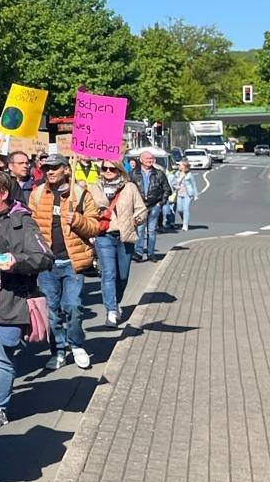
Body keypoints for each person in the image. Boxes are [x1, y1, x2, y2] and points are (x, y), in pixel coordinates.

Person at [0, 172, 53, 430]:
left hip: (5, 303)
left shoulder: (21, 222)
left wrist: (18, 262)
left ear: (4, 194)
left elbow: (44, 257)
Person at [28, 155, 102, 371]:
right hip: (47, 263)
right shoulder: (38, 194)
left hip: (72, 261)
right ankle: (58, 350)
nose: (49, 172)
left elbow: (95, 227)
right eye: (46, 168)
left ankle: (77, 344)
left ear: (66, 170)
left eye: (54, 168)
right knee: (52, 310)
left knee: (73, 306)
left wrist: (77, 220)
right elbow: (30, 224)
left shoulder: (80, 194)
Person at [91, 162, 147, 326]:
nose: (108, 171)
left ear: (119, 170)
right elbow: (86, 209)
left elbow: (141, 209)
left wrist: (137, 218)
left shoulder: (129, 187)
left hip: (125, 236)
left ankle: (115, 302)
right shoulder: (94, 187)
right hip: (104, 236)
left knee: (122, 276)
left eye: (112, 168)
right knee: (109, 273)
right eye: (104, 168)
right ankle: (111, 311)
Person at [133, 151, 170, 262]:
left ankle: (151, 253)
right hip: (140, 207)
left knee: (152, 231)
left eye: (151, 158)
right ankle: (138, 253)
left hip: (154, 206)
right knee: (140, 230)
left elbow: (167, 189)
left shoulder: (159, 173)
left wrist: (160, 203)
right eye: (147, 158)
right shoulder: (134, 174)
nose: (149, 160)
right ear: (141, 160)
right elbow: (128, 189)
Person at [170, 160, 201, 231]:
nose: (178, 166)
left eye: (180, 165)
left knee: (186, 209)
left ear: (184, 166)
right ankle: (184, 220)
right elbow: (173, 183)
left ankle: (185, 225)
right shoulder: (177, 174)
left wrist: (196, 195)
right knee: (180, 210)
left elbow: (194, 185)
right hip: (179, 194)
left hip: (188, 194)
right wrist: (175, 186)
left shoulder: (189, 175)